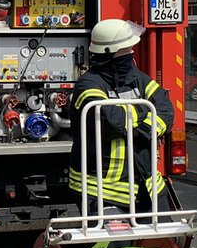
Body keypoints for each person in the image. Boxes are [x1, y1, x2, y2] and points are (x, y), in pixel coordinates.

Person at [68, 19, 173, 217]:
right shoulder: (88, 85)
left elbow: (165, 109)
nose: (132, 52)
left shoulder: (136, 77)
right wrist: (144, 110)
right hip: (103, 191)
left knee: (165, 244)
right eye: (126, 49)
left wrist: (143, 130)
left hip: (150, 188)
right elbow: (110, 121)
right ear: (109, 54)